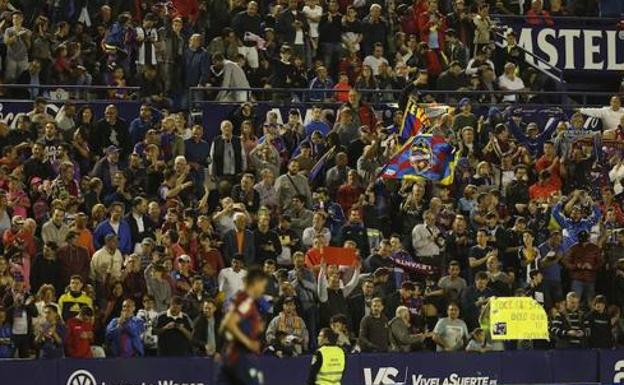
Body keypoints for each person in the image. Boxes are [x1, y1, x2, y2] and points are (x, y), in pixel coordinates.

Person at [219, 267, 269, 385]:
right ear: (256, 282)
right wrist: (248, 342)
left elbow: (224, 327)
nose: (263, 289)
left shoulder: (242, 299)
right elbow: (229, 323)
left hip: (232, 356)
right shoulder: (246, 300)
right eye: (263, 285)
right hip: (240, 358)